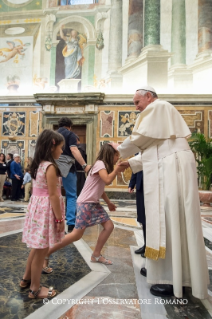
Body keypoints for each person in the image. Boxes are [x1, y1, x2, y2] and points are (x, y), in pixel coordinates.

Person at [118, 85, 209, 299]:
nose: (137, 107)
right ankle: (167, 273)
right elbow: (154, 151)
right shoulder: (163, 124)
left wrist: (119, 149)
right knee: (171, 221)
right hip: (171, 168)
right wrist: (130, 162)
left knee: (169, 220)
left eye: (137, 102)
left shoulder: (158, 106)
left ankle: (171, 279)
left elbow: (139, 140)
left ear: (149, 97)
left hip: (171, 172)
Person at [43, 143, 125, 269]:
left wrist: (108, 202)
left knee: (109, 226)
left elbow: (100, 187)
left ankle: (96, 255)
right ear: (110, 155)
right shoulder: (100, 165)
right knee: (76, 235)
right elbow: (108, 180)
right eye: (116, 156)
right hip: (86, 203)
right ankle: (46, 253)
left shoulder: (101, 166)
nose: (117, 159)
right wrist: (117, 169)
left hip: (93, 203)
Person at [20, 129, 65, 299]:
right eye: (61, 147)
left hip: (37, 209)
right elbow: (53, 194)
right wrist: (60, 218)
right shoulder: (50, 167)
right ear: (52, 146)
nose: (62, 151)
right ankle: (35, 289)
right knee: (42, 251)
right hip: (46, 212)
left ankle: (26, 279)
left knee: (36, 248)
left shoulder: (38, 164)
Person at [57, 117, 91, 232]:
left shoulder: (52, 134)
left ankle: (52, 222)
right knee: (71, 195)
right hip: (68, 167)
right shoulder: (70, 134)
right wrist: (84, 165)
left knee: (53, 194)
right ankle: (71, 224)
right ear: (70, 126)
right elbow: (74, 150)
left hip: (51, 166)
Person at [128, 167, 146, 259]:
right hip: (140, 187)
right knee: (143, 218)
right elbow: (135, 167)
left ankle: (151, 246)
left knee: (150, 219)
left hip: (152, 187)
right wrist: (132, 184)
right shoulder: (138, 152)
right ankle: (146, 245)